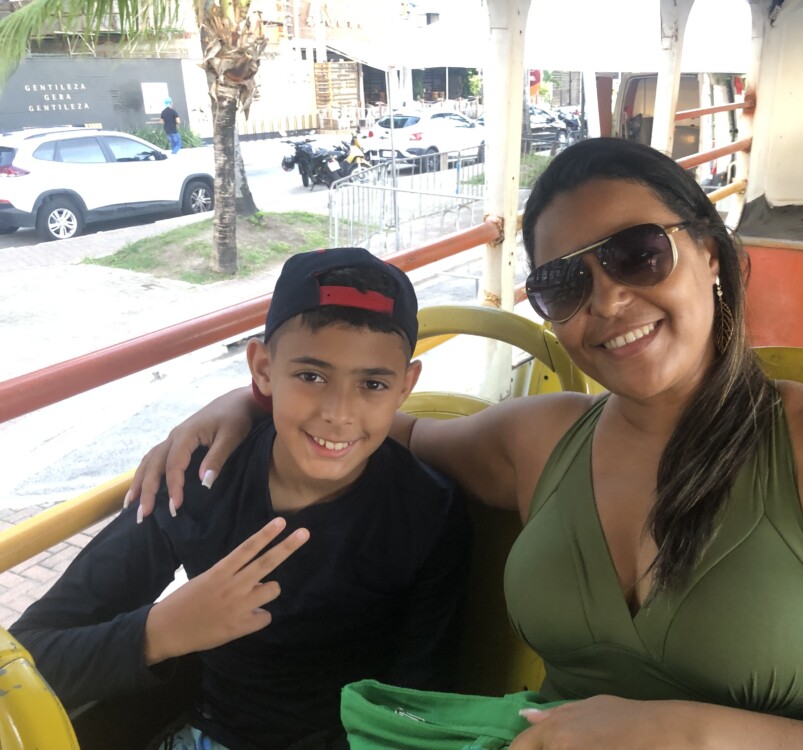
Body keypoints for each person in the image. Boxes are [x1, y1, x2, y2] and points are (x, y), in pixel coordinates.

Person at [127, 138, 803, 748]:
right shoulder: (539, 440)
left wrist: (687, 735)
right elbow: (367, 422)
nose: (607, 300)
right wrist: (248, 404)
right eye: (562, 282)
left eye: (637, 254)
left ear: (711, 256)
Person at [11, 248, 470, 750]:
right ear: (263, 369)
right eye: (311, 376)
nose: (339, 413)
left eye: (373, 384)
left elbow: (419, 702)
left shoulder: (429, 512)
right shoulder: (197, 478)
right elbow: (30, 653)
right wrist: (161, 631)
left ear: (405, 386)